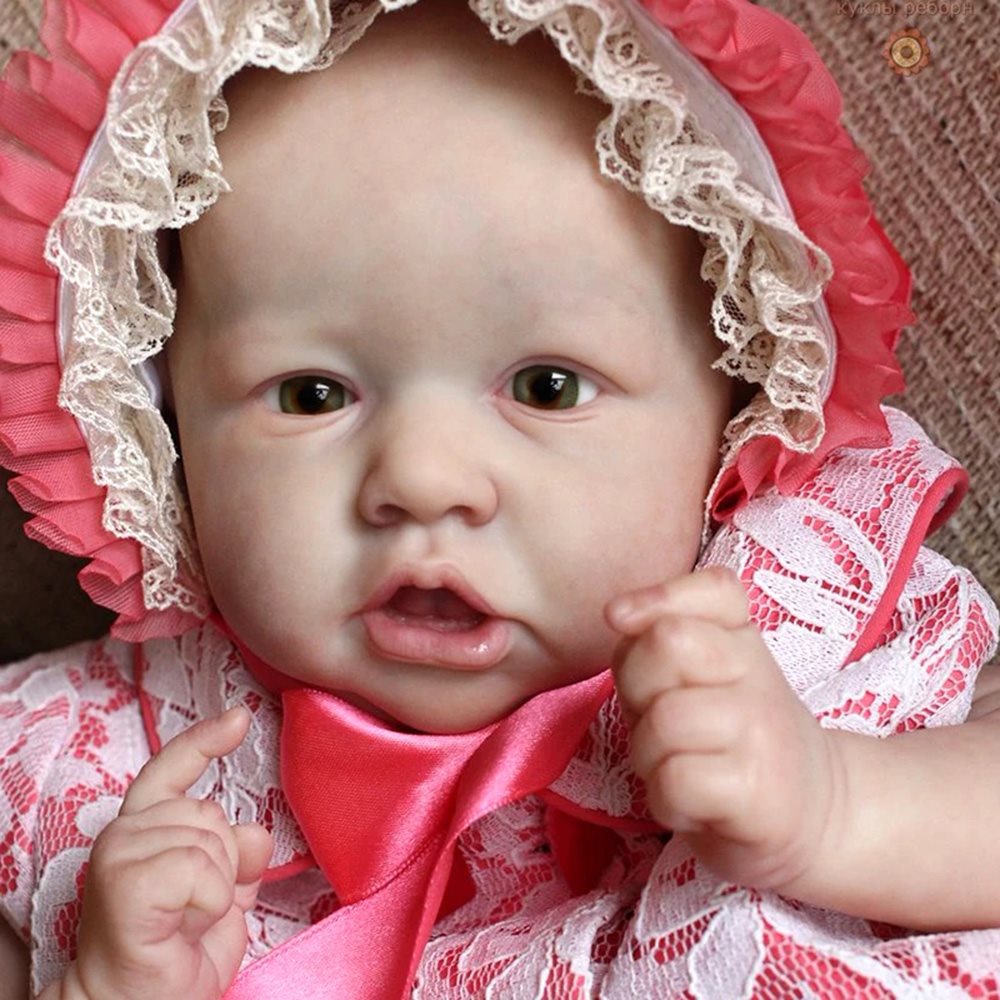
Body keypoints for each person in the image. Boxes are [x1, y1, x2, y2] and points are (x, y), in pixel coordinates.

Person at [0, 0, 998, 997]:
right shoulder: (107, 774)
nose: (423, 479)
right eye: (310, 395)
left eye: (547, 388)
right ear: (160, 432)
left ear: (732, 408)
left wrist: (834, 806)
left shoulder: (798, 614)